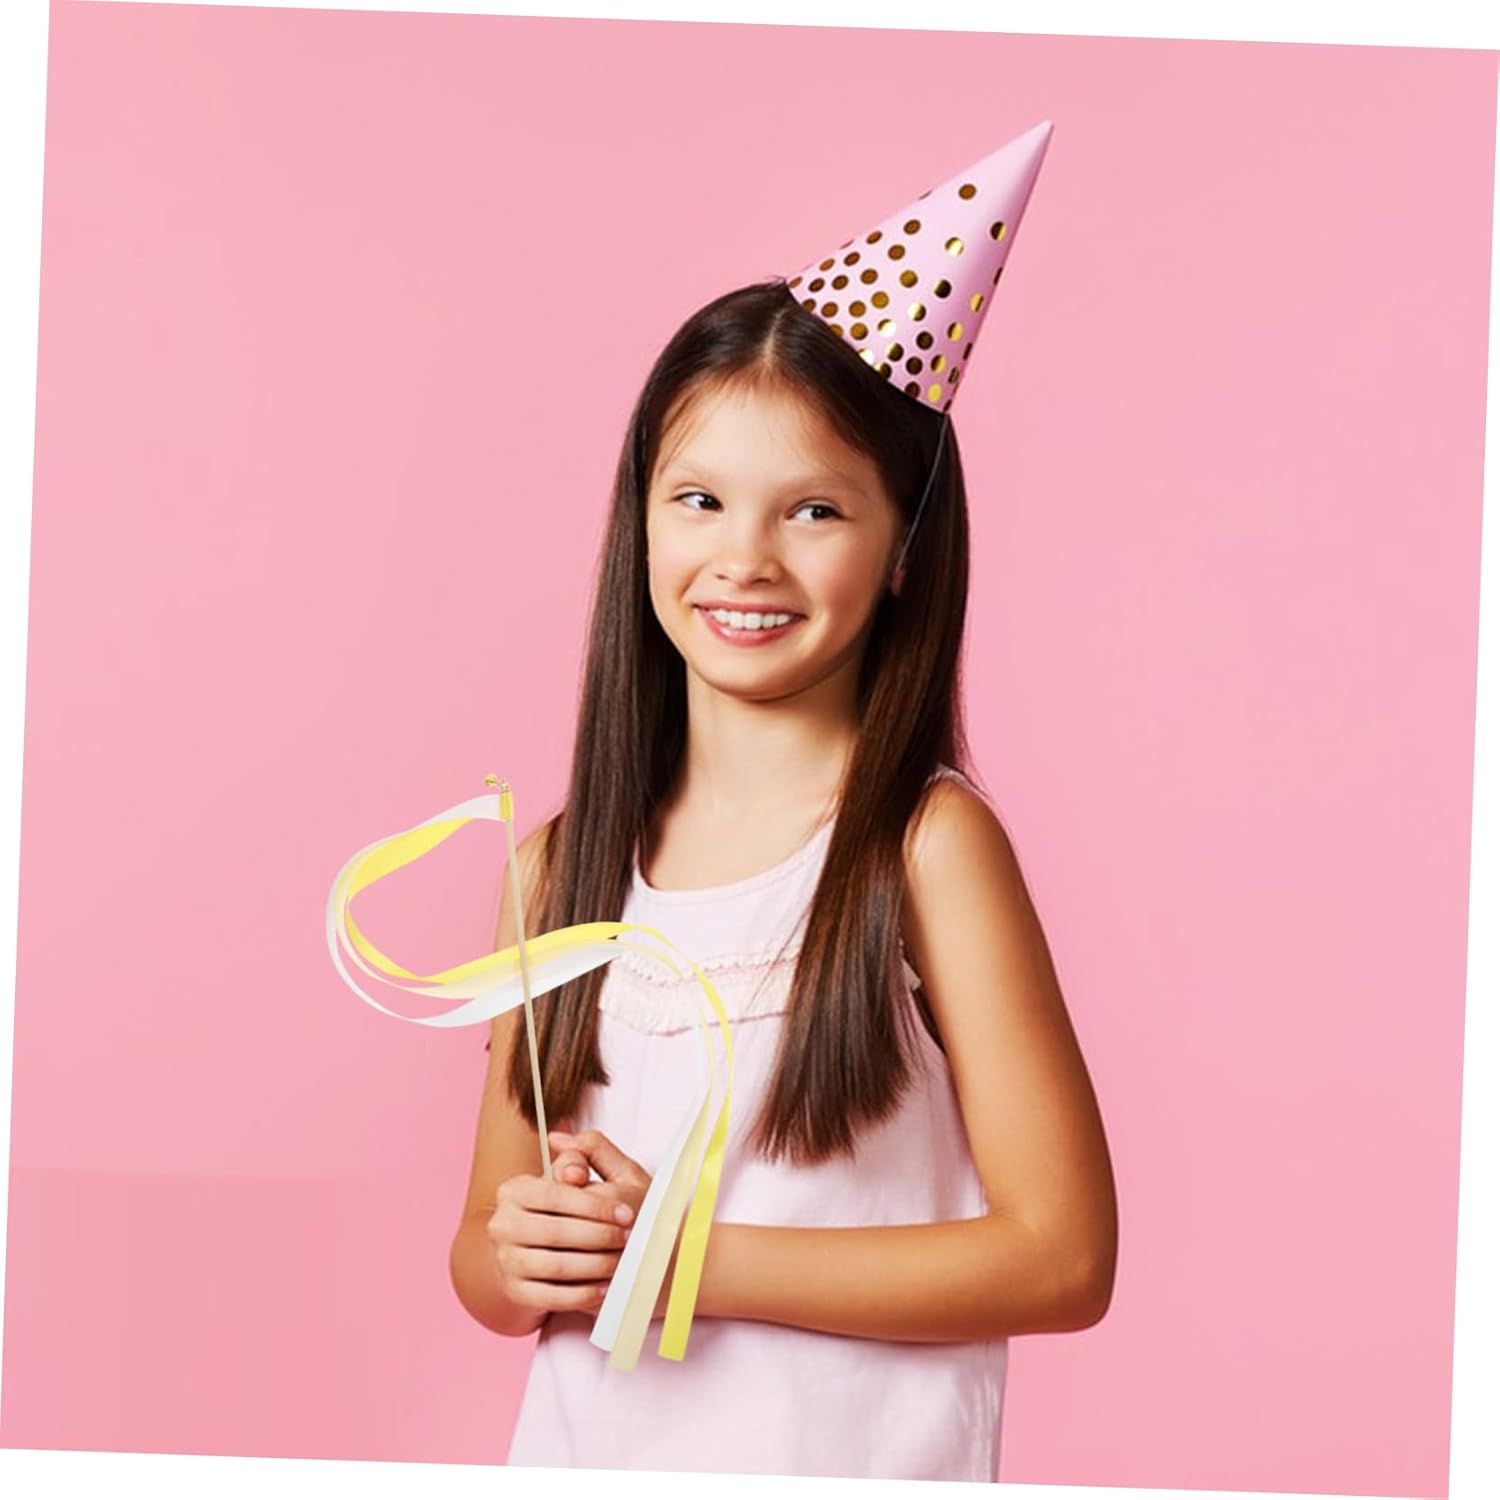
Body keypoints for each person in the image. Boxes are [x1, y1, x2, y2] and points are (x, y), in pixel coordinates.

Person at [447, 121, 1117, 1481]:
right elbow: (485, 1256)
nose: (743, 557)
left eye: (814, 511)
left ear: (904, 547)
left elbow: (1063, 1256)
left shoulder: (925, 849)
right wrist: (517, 1256)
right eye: (699, 499)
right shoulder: (556, 871)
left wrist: (685, 1254)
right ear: (642, 521)